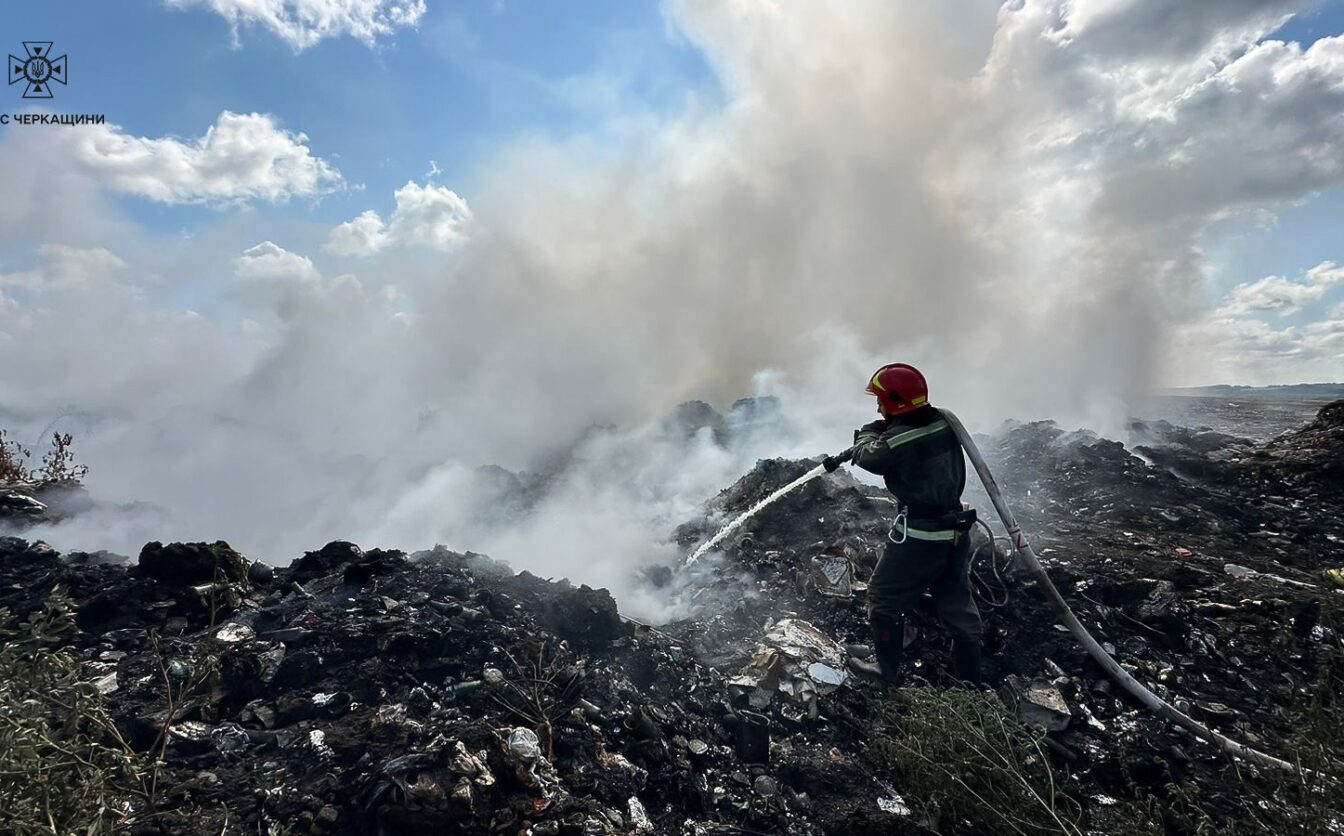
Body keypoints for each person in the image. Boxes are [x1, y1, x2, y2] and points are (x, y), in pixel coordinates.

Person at [834, 363, 982, 684]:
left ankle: (885, 673)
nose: (877, 406)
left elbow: (870, 456)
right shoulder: (943, 422)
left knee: (883, 597)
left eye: (881, 400)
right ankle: (971, 680)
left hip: (920, 538)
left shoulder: (898, 441)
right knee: (956, 603)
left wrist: (869, 432)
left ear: (896, 401)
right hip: (956, 531)